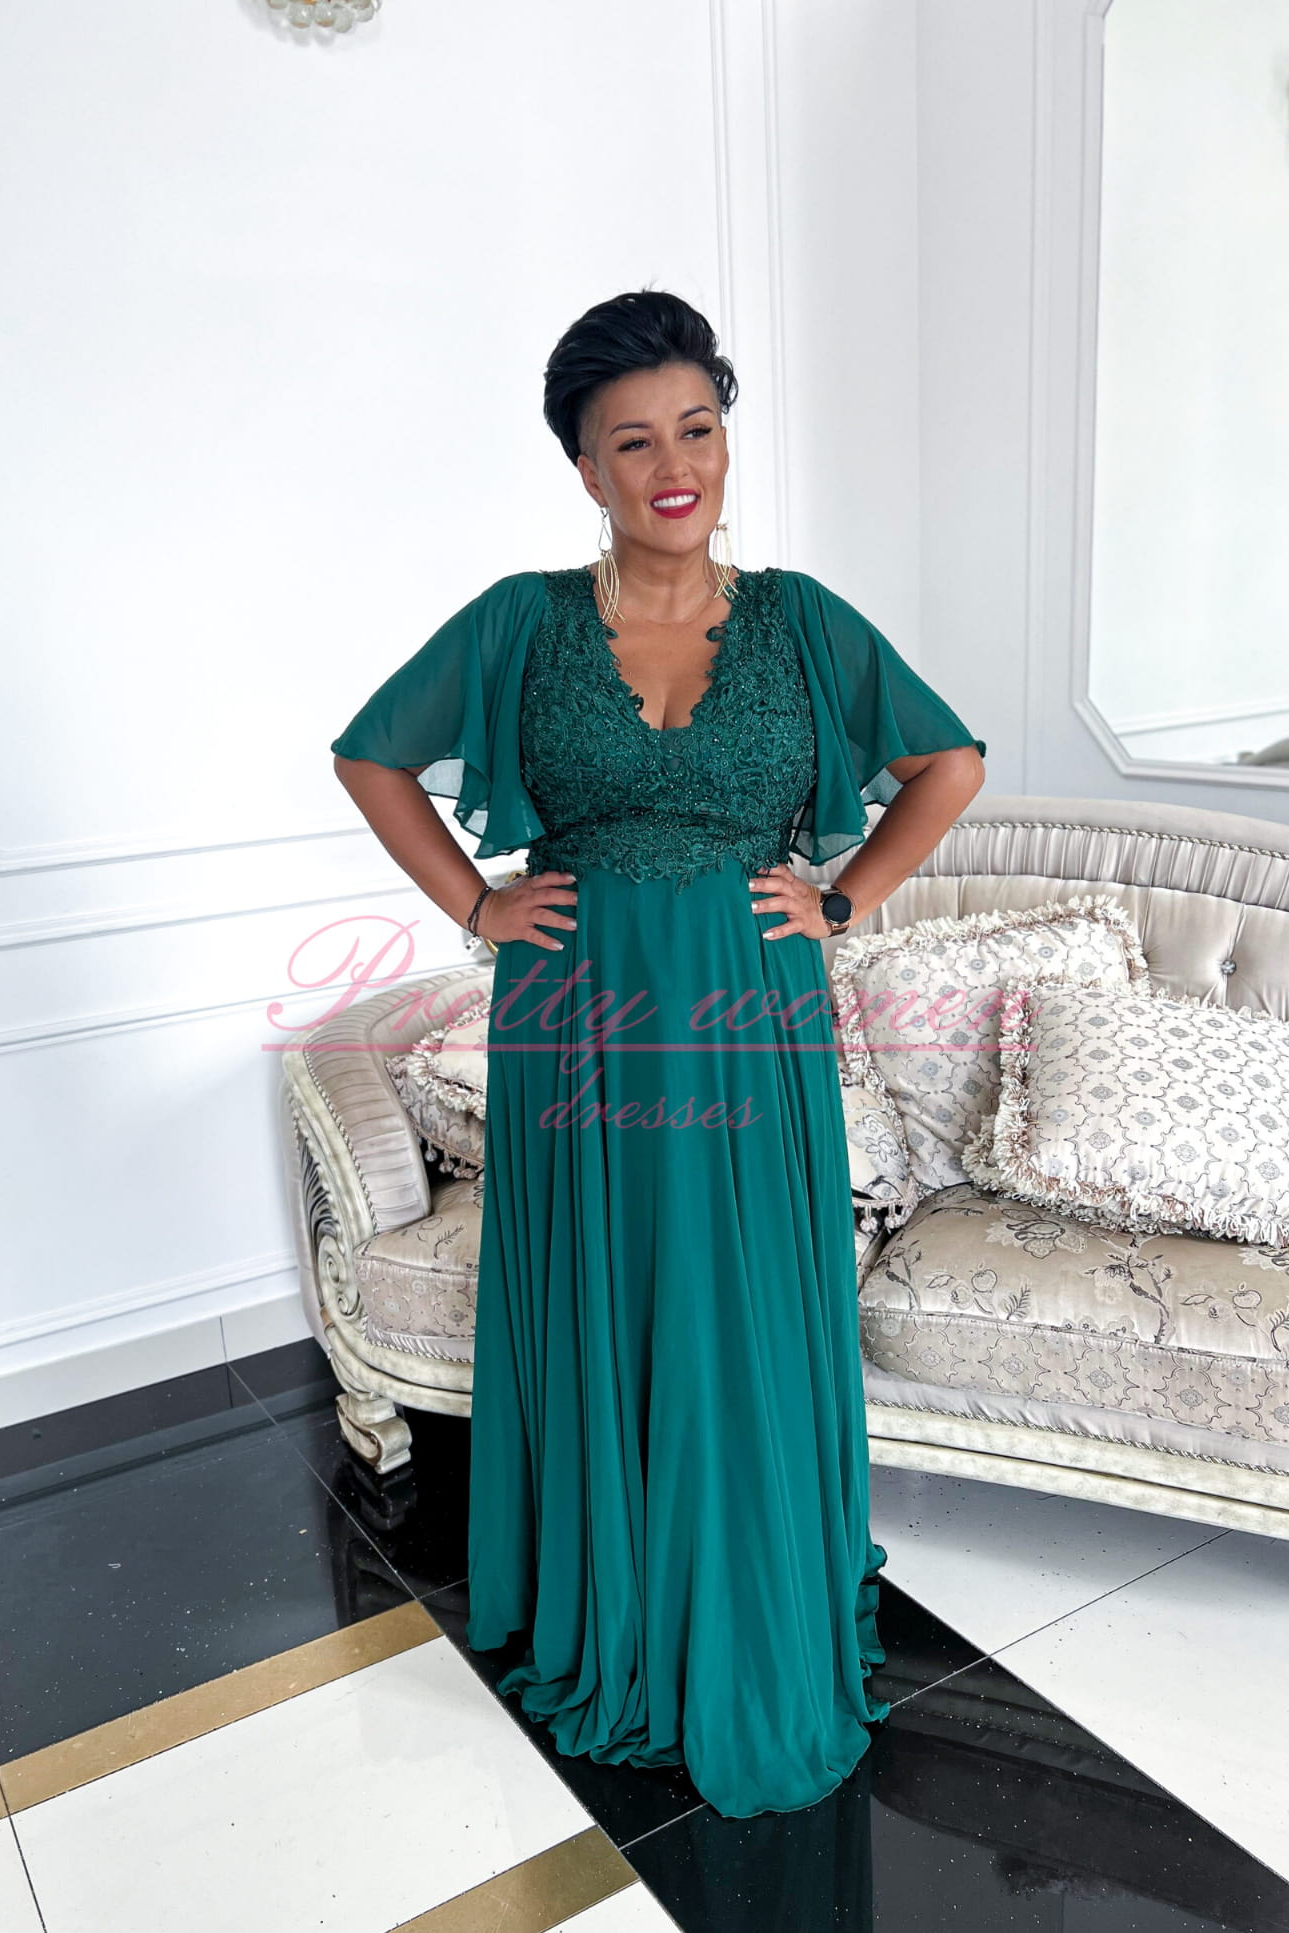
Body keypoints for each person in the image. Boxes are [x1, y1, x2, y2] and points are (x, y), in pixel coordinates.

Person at [330, 289, 986, 1819]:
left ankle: (743, 1608)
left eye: (697, 428)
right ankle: (617, 1611)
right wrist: (477, 904)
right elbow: (371, 755)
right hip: (576, 1008)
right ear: (585, 467)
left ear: (726, 443)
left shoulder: (802, 619)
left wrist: (842, 898)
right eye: (633, 441)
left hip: (748, 1012)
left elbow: (947, 762)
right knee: (606, 1295)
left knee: (738, 1303)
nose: (673, 464)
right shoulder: (520, 619)